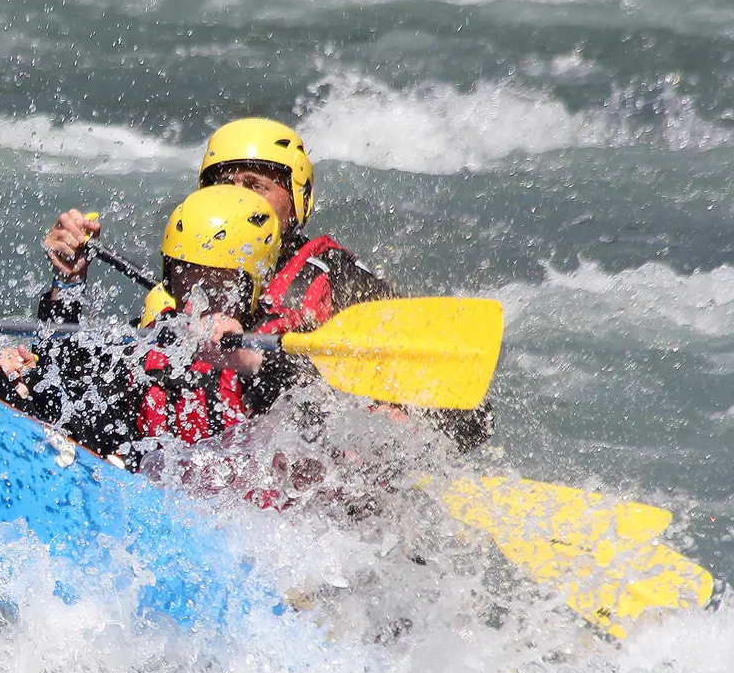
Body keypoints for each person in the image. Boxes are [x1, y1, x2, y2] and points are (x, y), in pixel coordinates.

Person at [43, 117, 488, 447]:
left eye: (254, 185)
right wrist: (68, 287)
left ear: (298, 199)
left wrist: (385, 411)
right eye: (222, 185)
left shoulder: (340, 281)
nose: (235, 196)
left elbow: (467, 418)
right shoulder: (176, 292)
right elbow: (86, 391)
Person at [0, 186, 288, 468]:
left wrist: (248, 361)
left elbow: (323, 409)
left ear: (253, 287)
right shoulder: (151, 354)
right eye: (183, 279)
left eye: (214, 286)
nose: (196, 303)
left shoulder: (283, 350)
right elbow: (54, 424)